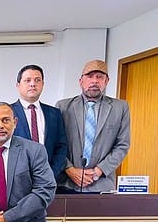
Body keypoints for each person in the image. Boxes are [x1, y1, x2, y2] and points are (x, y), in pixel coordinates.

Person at [56, 59, 131, 193]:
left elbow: (122, 145)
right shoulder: (63, 107)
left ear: (106, 81)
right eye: (90, 76)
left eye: (99, 77)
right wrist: (70, 169)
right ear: (81, 81)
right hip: (66, 183)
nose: (95, 81)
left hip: (102, 184)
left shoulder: (120, 108)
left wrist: (99, 171)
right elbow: (55, 144)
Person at [11, 64, 68, 179]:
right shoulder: (7, 113)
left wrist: (51, 174)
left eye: (37, 80)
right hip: (16, 180)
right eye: (27, 80)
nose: (33, 84)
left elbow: (61, 147)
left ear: (42, 84)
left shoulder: (54, 113)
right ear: (18, 85)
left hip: (48, 179)